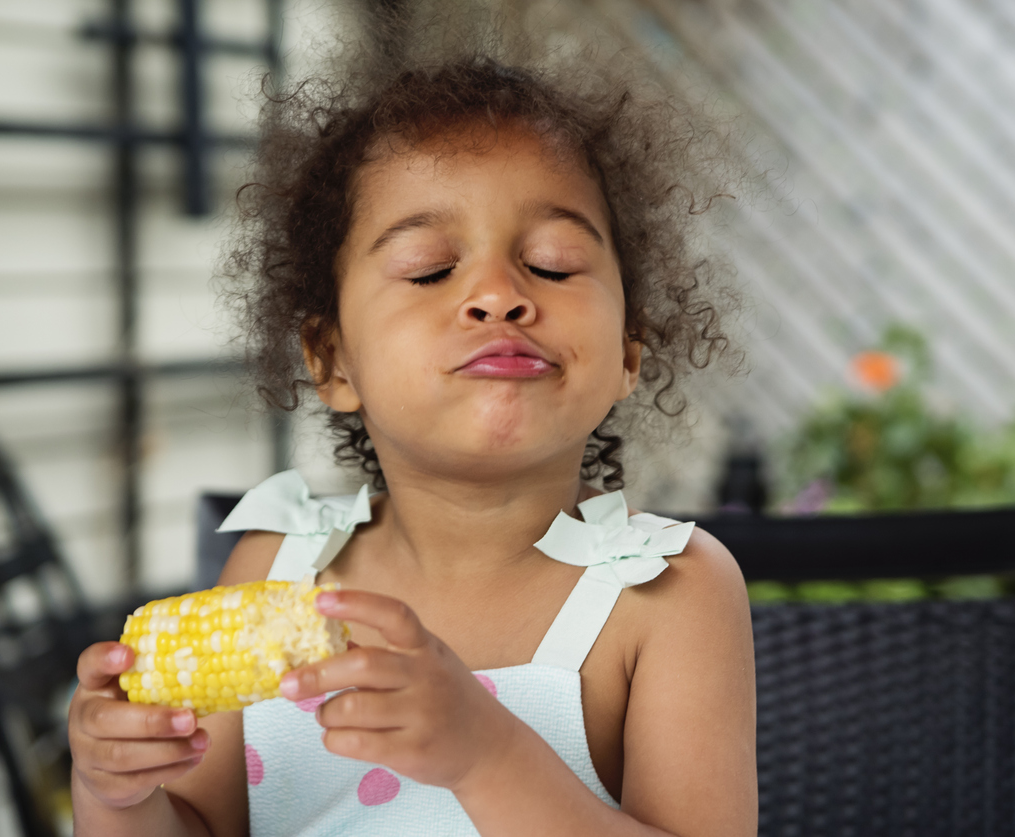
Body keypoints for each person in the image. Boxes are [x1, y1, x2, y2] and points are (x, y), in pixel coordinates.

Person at [67, 18, 756, 837]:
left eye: (553, 264)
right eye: (431, 268)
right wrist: (119, 794)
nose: (498, 294)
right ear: (334, 359)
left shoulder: (668, 593)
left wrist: (486, 756)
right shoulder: (275, 568)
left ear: (627, 353)